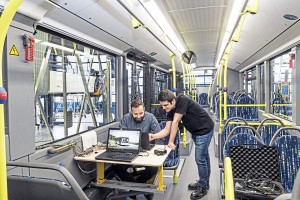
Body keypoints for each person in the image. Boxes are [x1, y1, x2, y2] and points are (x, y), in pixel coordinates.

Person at [150, 89, 214, 200]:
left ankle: (203, 187)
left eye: (165, 105)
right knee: (204, 157)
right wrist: (153, 136)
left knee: (200, 159)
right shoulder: (170, 110)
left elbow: (175, 122)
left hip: (205, 130)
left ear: (173, 101)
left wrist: (170, 142)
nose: (163, 108)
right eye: (162, 105)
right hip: (196, 131)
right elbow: (167, 129)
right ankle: (204, 182)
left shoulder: (182, 100)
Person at [115, 99, 161, 199]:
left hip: (146, 152)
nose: (138, 116)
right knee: (116, 168)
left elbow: (158, 135)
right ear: (131, 111)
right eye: (135, 114)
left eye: (141, 113)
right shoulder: (126, 118)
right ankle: (142, 189)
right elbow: (120, 134)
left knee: (154, 168)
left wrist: (154, 140)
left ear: (144, 109)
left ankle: (134, 190)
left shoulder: (150, 117)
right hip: (128, 151)